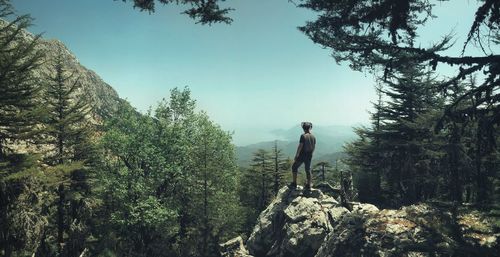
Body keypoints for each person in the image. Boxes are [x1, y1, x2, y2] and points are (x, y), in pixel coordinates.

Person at [289, 122, 316, 189]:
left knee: (294, 167)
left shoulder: (303, 136)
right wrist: (311, 153)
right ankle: (308, 185)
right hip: (309, 155)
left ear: (303, 128)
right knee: (308, 170)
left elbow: (300, 146)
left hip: (302, 155)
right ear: (310, 128)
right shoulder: (313, 136)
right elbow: (314, 147)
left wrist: (296, 155)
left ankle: (294, 183)